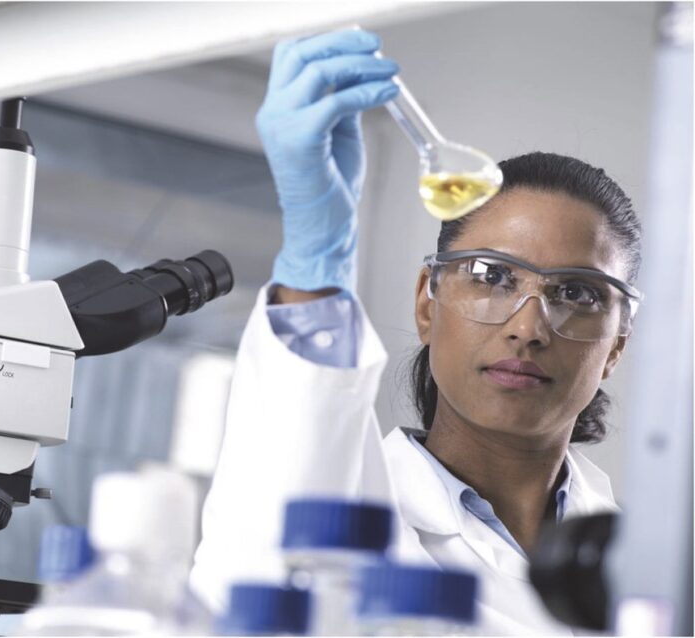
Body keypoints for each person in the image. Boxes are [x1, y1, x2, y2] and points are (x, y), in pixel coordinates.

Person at [190, 30, 642, 634]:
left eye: (578, 293)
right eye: (492, 276)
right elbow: (247, 599)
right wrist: (314, 262)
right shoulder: (341, 506)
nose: (529, 327)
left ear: (616, 345)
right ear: (427, 305)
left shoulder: (649, 566)